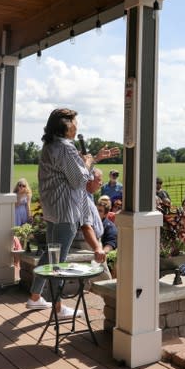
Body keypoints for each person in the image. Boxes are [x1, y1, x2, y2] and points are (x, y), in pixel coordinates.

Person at [25, 108, 119, 317]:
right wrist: (87, 162)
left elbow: (73, 172)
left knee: (51, 256)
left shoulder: (50, 146)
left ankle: (35, 297)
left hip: (53, 209)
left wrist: (93, 159)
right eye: (75, 121)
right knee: (59, 262)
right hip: (66, 212)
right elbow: (79, 179)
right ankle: (58, 308)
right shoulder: (66, 148)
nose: (77, 125)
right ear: (66, 124)